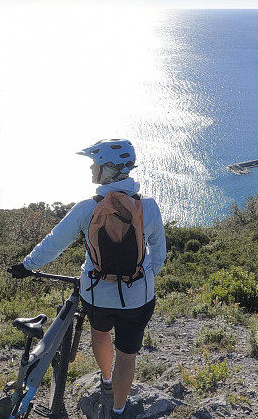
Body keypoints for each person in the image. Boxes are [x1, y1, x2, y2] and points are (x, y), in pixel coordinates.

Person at [8, 138, 166, 418]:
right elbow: (158, 254)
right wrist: (143, 280)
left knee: (100, 333)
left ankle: (106, 380)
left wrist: (27, 265)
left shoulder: (86, 207)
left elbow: (54, 243)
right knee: (127, 356)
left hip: (96, 294)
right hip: (139, 299)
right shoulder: (149, 207)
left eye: (96, 163)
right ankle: (118, 409)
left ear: (108, 169)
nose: (91, 167)